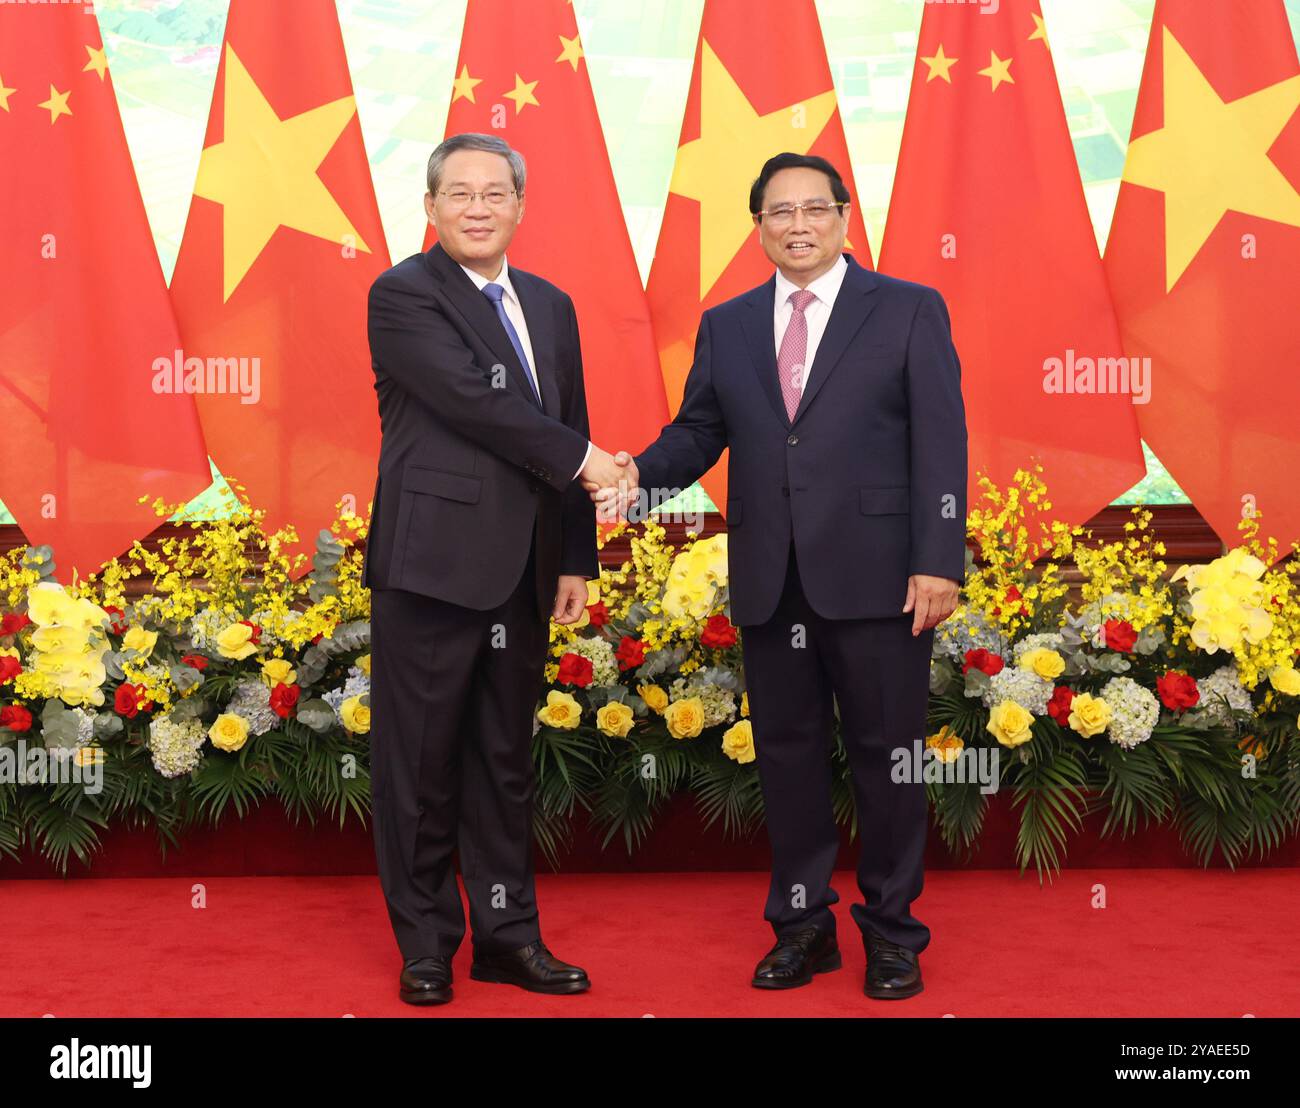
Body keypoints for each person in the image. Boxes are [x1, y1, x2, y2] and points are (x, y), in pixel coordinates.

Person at [587, 152, 968, 1000]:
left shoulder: (907, 310)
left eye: (813, 210)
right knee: (788, 761)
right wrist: (633, 481)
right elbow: (696, 435)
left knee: (888, 759)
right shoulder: (726, 325)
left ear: (843, 217)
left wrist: (939, 560)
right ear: (757, 225)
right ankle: (802, 929)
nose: (797, 225)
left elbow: (942, 443)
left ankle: (894, 935)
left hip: (880, 583)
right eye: (777, 213)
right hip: (772, 580)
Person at [363, 132, 631, 1005]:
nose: (477, 207)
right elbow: (477, 406)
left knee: (504, 761)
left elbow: (566, 419)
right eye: (459, 193)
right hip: (431, 567)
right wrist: (594, 461)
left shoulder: (550, 304)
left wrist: (577, 556)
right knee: (422, 764)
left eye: (494, 193)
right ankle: (429, 946)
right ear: (431, 208)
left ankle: (509, 937)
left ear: (520, 205)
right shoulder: (403, 294)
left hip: (523, 571)